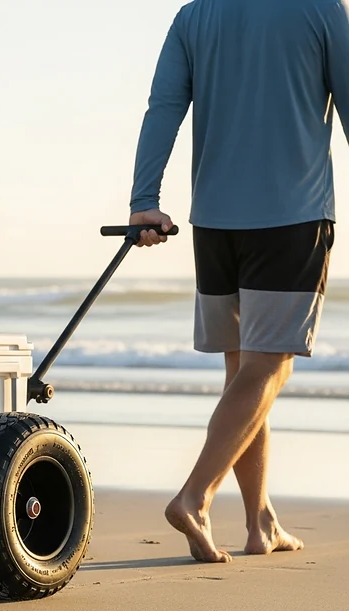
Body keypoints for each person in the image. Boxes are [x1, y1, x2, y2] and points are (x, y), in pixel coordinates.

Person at [128, 0, 349, 563]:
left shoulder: (196, 14)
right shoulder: (323, 8)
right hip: (291, 216)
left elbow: (163, 107)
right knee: (267, 369)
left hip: (217, 223)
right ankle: (195, 497)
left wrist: (143, 202)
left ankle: (260, 522)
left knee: (242, 375)